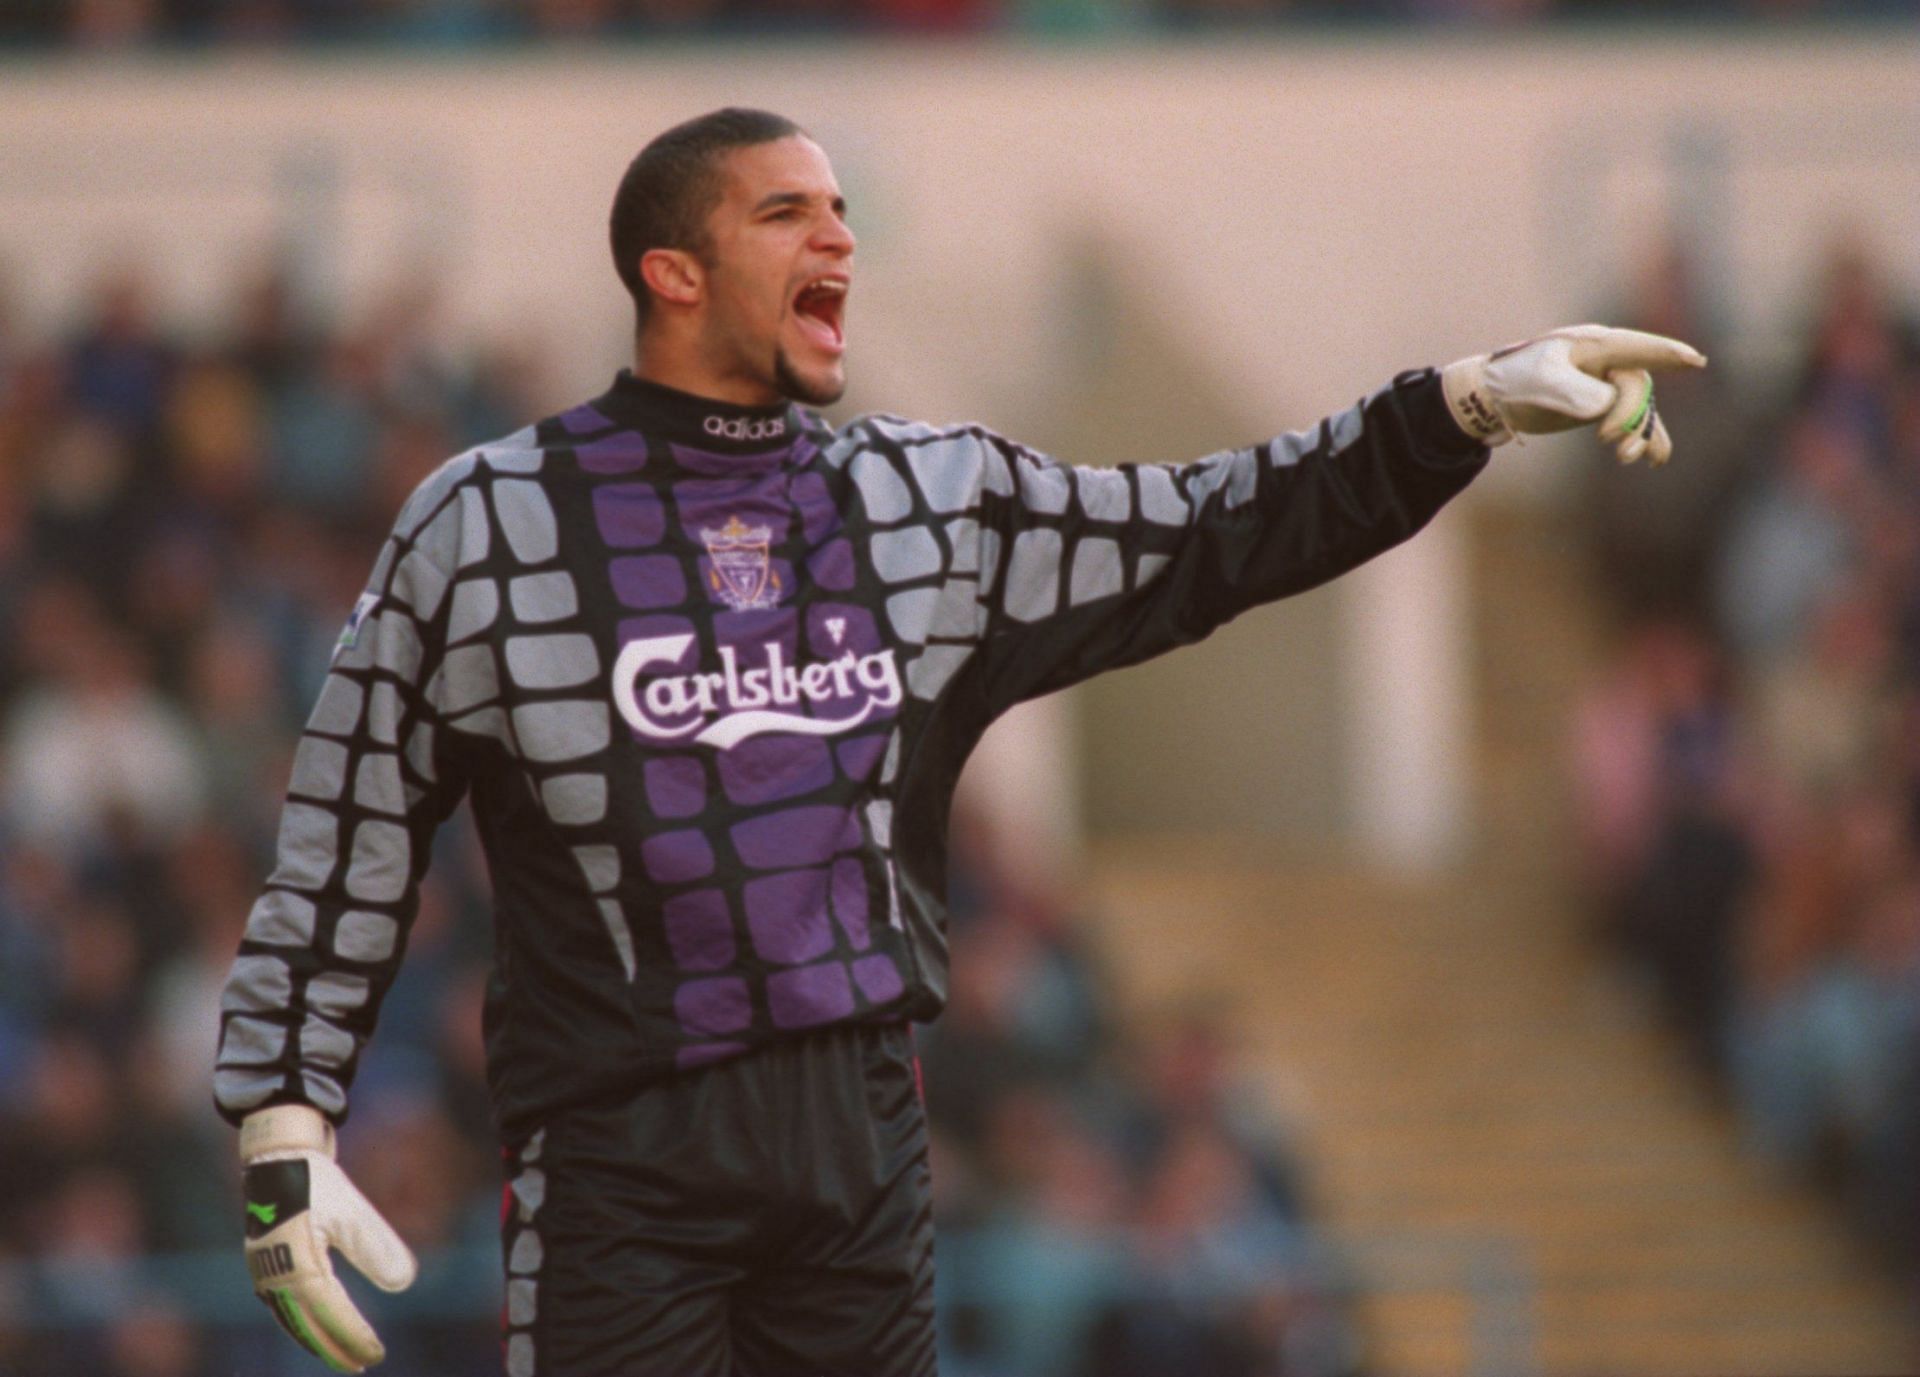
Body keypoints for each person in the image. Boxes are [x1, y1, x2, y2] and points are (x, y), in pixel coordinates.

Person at [214, 106, 1704, 1376]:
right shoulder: (487, 518)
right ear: (671, 271)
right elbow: (348, 819)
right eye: (788, 210)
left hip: (864, 1144)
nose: (840, 240)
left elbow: (1216, 528)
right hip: (615, 1161)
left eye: (846, 210)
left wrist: (1462, 407)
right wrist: (286, 1113)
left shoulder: (927, 502)